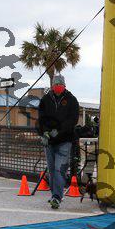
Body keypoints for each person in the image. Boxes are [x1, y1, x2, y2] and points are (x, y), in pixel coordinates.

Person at [37, 75, 79, 209]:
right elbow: (41, 119)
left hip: (64, 140)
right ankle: (54, 195)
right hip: (49, 142)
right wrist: (44, 133)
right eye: (56, 84)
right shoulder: (45, 100)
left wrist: (59, 131)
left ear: (64, 86)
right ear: (52, 86)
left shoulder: (72, 100)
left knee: (59, 169)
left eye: (60, 84)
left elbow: (73, 120)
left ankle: (57, 197)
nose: (58, 87)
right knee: (51, 170)